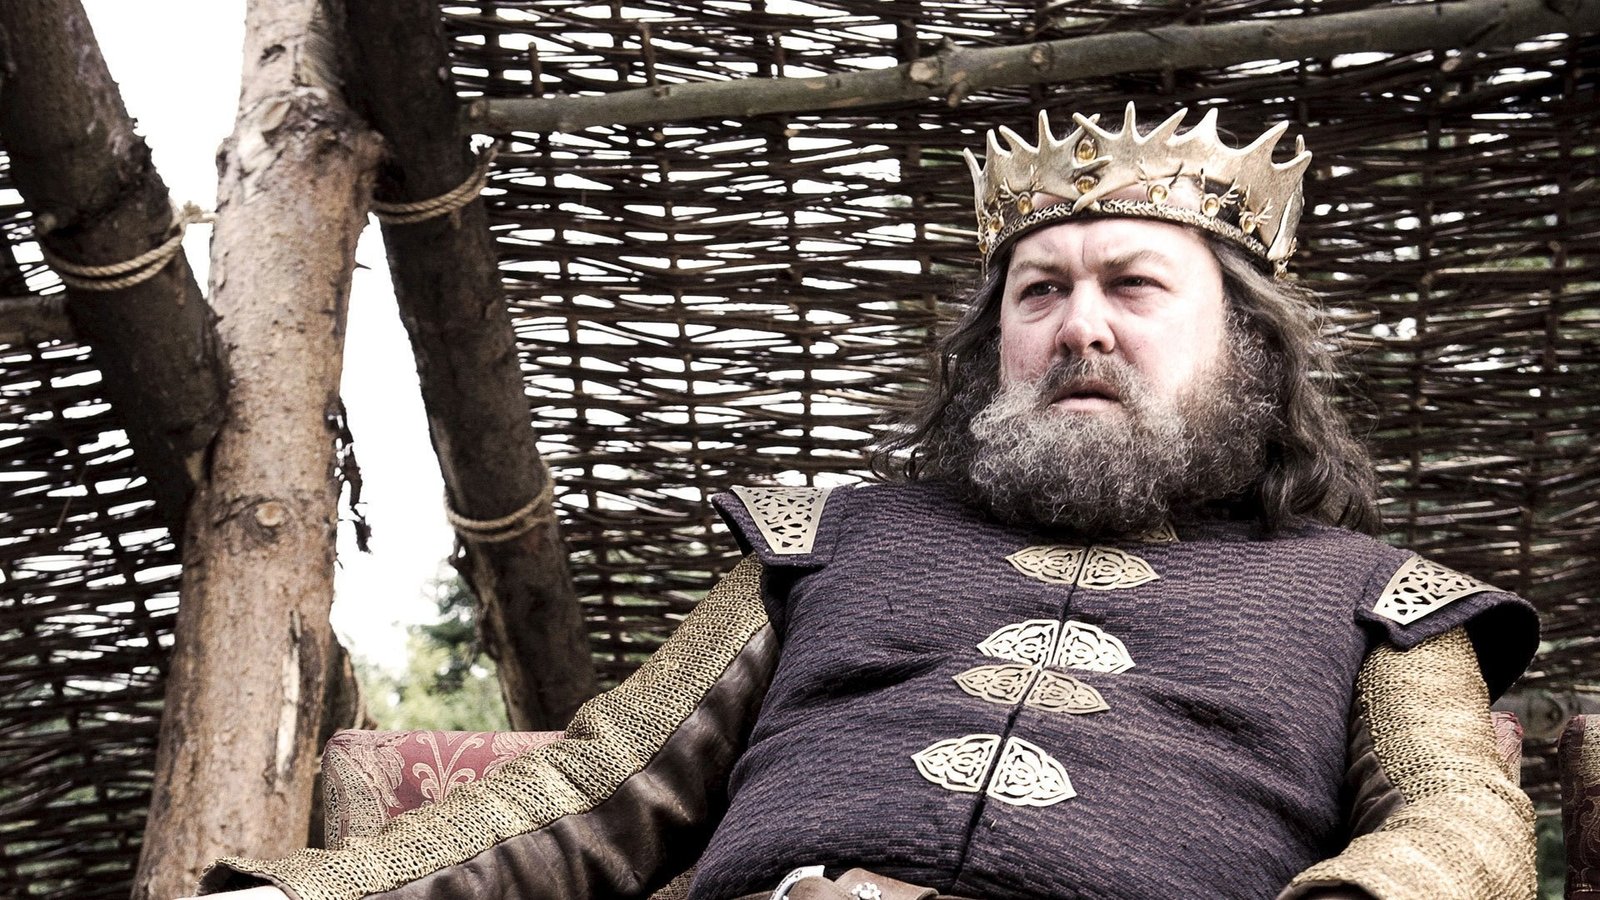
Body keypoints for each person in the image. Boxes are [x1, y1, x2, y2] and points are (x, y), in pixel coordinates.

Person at [192, 104, 1539, 900]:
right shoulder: (826, 541)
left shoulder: (1377, 600)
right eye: (1040, 292)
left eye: (1133, 286)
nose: (1081, 327)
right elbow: (594, 787)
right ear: (995, 346)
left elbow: (1458, 824)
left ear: (1243, 345)